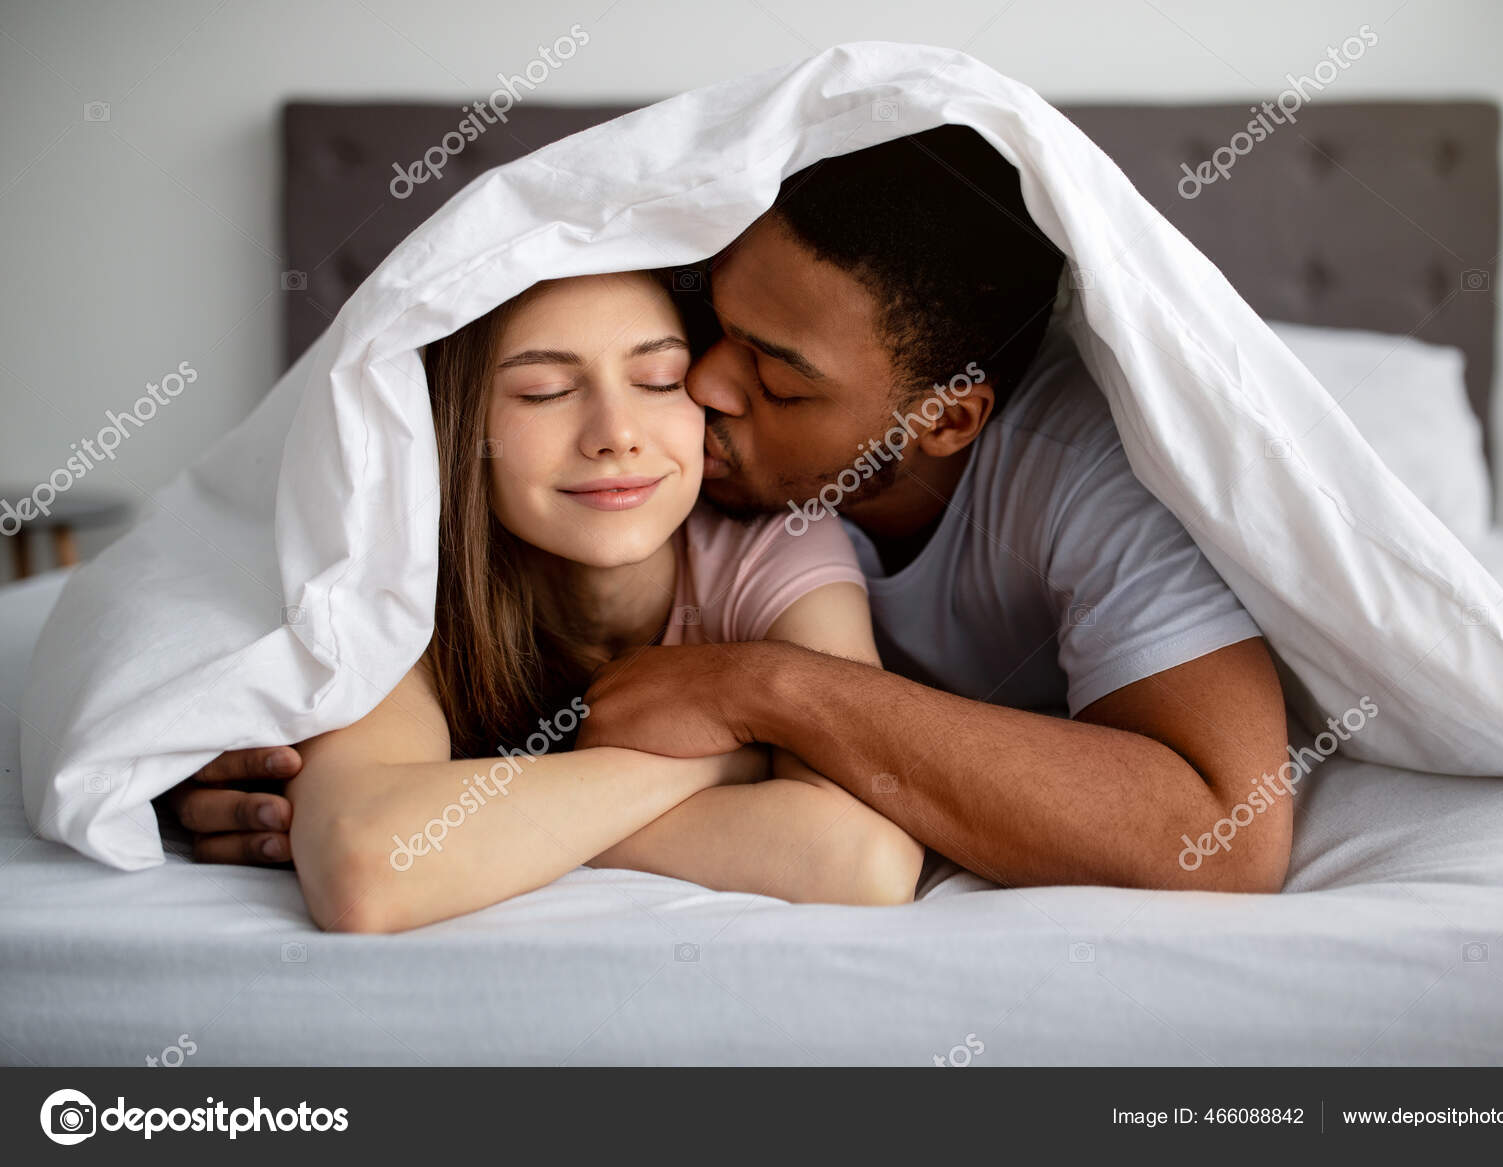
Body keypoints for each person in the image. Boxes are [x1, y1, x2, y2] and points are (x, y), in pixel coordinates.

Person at [169, 125, 1291, 895]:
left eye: (777, 378)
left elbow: (1225, 838)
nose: (698, 393)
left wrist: (764, 694)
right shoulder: (606, 475)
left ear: (944, 421)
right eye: (708, 336)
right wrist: (211, 736)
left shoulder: (1080, 480)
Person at [273, 268, 923, 932]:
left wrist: (503, 829)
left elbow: (867, 860)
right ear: (458, 424)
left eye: (660, 381)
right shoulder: (402, 572)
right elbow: (367, 868)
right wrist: (724, 761)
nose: (616, 433)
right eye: (544, 392)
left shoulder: (773, 541)